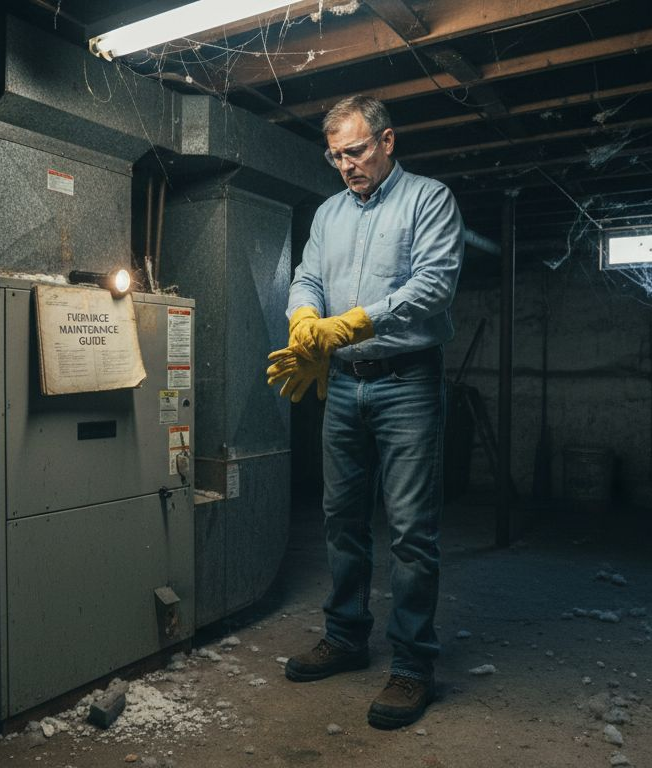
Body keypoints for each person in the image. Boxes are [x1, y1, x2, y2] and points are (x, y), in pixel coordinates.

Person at [266, 94, 464, 729]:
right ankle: (347, 637)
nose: (345, 165)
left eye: (354, 151)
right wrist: (304, 318)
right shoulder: (328, 212)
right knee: (341, 517)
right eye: (335, 155)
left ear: (387, 141)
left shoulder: (428, 199)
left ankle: (411, 668)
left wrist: (353, 323)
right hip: (344, 384)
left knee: (410, 530)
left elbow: (433, 283)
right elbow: (308, 277)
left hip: (407, 379)